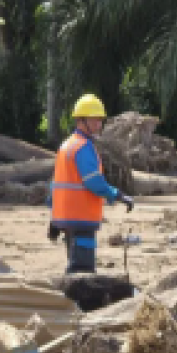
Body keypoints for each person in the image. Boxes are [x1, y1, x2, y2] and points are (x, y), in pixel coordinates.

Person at [49, 93, 135, 274]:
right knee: (82, 271)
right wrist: (117, 194)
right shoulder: (83, 147)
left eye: (100, 120)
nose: (99, 124)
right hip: (81, 217)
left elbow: (55, 186)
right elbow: (94, 182)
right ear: (81, 120)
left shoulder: (66, 145)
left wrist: (55, 220)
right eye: (94, 120)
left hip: (67, 218)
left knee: (75, 266)